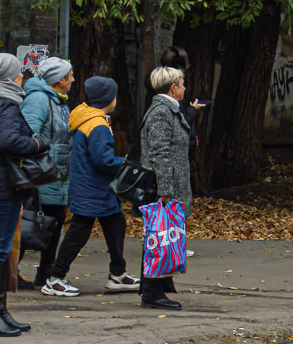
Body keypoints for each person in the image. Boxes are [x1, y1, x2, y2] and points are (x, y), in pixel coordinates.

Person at [43, 76, 138, 297]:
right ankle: (55, 277)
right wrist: (123, 163)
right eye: (114, 95)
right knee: (79, 231)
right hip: (93, 188)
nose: (116, 99)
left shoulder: (88, 118)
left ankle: (118, 273)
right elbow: (103, 160)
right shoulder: (97, 125)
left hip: (92, 187)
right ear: (107, 99)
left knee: (116, 223)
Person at [0, 53, 46, 337]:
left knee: (2, 246)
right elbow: (8, 141)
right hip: (4, 181)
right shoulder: (6, 102)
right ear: (9, 76)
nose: (22, 76)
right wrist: (37, 143)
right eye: (19, 72)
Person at [138, 66, 192, 310]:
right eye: (182, 84)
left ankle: (156, 287)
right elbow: (160, 152)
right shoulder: (162, 112)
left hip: (167, 183)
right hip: (162, 186)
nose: (184, 88)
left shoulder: (168, 109)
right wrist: (165, 189)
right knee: (158, 238)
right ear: (173, 88)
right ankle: (152, 292)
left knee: (161, 236)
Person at [17, 57, 73, 290]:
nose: (72, 79)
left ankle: (45, 272)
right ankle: (9, 271)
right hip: (41, 175)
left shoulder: (59, 101)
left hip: (56, 175)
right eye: (69, 76)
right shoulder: (39, 100)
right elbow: (26, 136)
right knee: (31, 223)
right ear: (58, 80)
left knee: (54, 222)